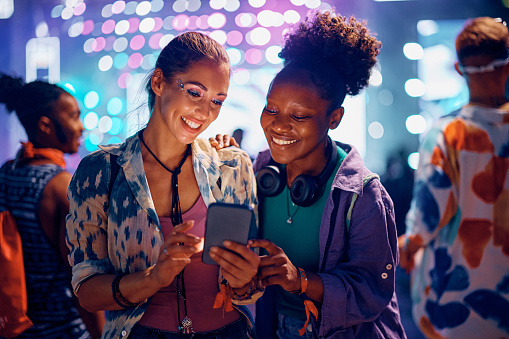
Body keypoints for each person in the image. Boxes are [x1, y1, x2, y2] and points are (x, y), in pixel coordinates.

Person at [211, 11, 407, 338]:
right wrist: (223, 172)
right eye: (271, 109)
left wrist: (300, 279)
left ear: (334, 118)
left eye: (299, 115)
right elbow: (224, 257)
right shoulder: (254, 172)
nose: (278, 124)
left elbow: (372, 293)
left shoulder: (364, 195)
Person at [65, 31, 262, 339]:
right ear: (158, 82)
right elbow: (87, 293)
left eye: (217, 101)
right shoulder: (101, 171)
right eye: (195, 93)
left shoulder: (232, 165)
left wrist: (247, 280)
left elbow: (246, 292)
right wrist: (153, 278)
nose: (206, 112)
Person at [400, 17, 509, 338]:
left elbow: (426, 219)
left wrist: (406, 246)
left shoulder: (446, 134)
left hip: (455, 305)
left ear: (459, 70)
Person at [0, 73, 105, 338]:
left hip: (16, 329)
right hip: (62, 330)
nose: (81, 127)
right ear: (45, 126)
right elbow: (80, 281)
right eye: (73, 117)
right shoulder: (61, 187)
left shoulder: (7, 172)